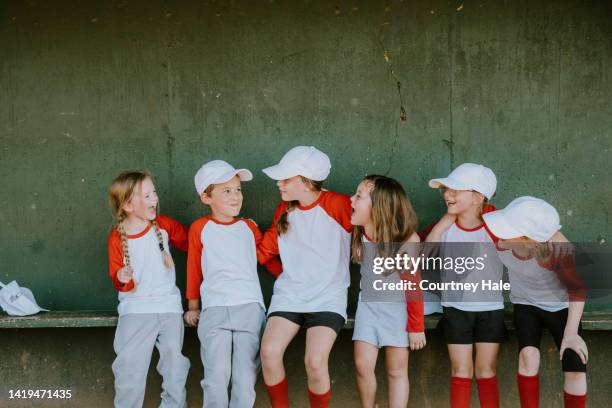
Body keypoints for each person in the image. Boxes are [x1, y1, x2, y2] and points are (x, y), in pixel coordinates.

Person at [257, 146, 352, 408]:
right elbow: (265, 252)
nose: (279, 183)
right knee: (269, 352)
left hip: (328, 298)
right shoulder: (284, 210)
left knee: (315, 361)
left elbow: (374, 233)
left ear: (307, 181)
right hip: (289, 297)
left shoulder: (340, 204)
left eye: (287, 178)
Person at [483, 196, 587, 408]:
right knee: (528, 356)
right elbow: (480, 207)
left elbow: (577, 289)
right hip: (526, 305)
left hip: (561, 308)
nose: (499, 231)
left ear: (528, 239)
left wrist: (571, 334)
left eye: (508, 228)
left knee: (575, 365)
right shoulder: (496, 235)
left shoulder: (555, 252)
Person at [184, 160, 266, 408]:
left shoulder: (249, 227)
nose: (235, 196)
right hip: (215, 310)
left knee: (245, 377)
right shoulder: (200, 228)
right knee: (216, 377)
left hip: (250, 307)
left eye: (238, 189)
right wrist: (192, 306)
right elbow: (194, 269)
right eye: (226, 191)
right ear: (206, 198)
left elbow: (265, 258)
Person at [107, 170, 190, 408]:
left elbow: (193, 245)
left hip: (169, 308)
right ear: (128, 205)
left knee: (175, 368)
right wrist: (123, 277)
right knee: (129, 371)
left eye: (154, 193)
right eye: (147, 195)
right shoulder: (116, 238)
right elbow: (119, 279)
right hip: (135, 310)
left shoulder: (165, 226)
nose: (154, 199)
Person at [350, 175, 426, 408]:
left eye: (359, 196)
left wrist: (416, 327)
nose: (351, 199)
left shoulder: (405, 240)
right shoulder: (360, 231)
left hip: (398, 310)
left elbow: (413, 287)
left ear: (379, 207)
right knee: (363, 365)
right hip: (368, 306)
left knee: (396, 370)